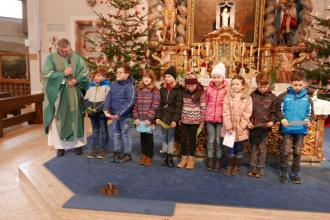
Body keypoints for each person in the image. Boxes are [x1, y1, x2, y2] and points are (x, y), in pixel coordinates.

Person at [43, 38, 89, 157]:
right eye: (62, 51)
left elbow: (85, 73)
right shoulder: (50, 59)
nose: (65, 53)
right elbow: (46, 75)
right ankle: (60, 147)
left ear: (69, 48)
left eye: (67, 51)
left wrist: (76, 80)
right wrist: (62, 75)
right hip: (59, 95)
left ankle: (78, 145)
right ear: (57, 49)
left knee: (76, 118)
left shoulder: (77, 58)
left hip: (74, 93)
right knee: (60, 119)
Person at [276, 70, 313, 184]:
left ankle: (295, 174)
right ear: (290, 83)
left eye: (300, 85)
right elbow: (278, 110)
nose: (297, 87)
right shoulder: (284, 96)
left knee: (297, 152)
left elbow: (310, 112)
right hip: (287, 129)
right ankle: (283, 173)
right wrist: (282, 119)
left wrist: (308, 119)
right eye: (295, 85)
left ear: (304, 84)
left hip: (300, 130)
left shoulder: (307, 98)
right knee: (285, 151)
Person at [103, 64, 136, 163]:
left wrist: (119, 113)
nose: (117, 74)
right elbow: (109, 97)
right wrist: (105, 108)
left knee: (126, 134)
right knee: (116, 133)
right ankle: (116, 151)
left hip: (125, 116)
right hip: (114, 115)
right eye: (117, 72)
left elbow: (130, 101)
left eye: (120, 72)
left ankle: (127, 153)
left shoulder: (130, 86)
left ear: (127, 74)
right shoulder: (114, 84)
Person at [247, 73, 277, 178]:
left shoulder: (273, 97)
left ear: (269, 84)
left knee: (262, 147)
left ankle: (260, 168)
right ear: (257, 84)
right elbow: (248, 110)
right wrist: (249, 121)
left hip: (265, 127)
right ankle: (251, 167)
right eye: (261, 86)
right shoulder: (252, 95)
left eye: (265, 86)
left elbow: (274, 112)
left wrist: (272, 121)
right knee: (253, 147)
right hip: (254, 126)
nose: (263, 88)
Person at [223, 75, 252, 176]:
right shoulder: (228, 96)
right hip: (229, 129)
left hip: (241, 130)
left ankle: (237, 167)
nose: (235, 86)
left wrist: (241, 127)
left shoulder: (247, 98)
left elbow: (247, 113)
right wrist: (229, 127)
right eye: (233, 84)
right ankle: (229, 166)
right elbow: (225, 112)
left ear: (243, 86)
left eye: (237, 84)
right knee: (229, 149)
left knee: (239, 149)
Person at [155, 66, 183, 167]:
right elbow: (159, 104)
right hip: (163, 117)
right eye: (166, 76)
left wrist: (175, 120)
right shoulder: (162, 89)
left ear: (174, 78)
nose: (167, 78)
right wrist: (157, 117)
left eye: (169, 76)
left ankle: (170, 156)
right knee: (163, 137)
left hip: (171, 118)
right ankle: (165, 156)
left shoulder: (178, 90)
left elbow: (178, 106)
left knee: (170, 138)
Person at [177, 75, 206, 170]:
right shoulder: (184, 92)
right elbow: (182, 106)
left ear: (196, 84)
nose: (190, 88)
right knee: (183, 140)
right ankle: (184, 158)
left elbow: (203, 108)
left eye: (192, 85)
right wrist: (180, 118)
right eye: (188, 86)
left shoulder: (201, 93)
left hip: (195, 121)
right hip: (184, 120)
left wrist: (201, 123)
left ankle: (191, 159)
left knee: (192, 140)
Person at [133, 70, 160, 166]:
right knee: (142, 136)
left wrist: (149, 118)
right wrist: (135, 117)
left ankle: (149, 156)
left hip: (149, 119)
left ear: (152, 79)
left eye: (148, 77)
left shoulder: (155, 90)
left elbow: (155, 105)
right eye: (145, 77)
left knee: (148, 137)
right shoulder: (138, 89)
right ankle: (143, 154)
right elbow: (135, 104)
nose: (146, 79)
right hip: (140, 118)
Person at [204, 63, 227, 172]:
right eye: (214, 77)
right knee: (210, 139)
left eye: (218, 77)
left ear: (223, 77)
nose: (216, 79)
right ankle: (210, 159)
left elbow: (227, 103)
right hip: (209, 118)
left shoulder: (227, 89)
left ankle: (218, 160)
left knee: (218, 140)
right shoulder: (209, 88)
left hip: (221, 119)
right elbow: (206, 100)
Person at [84, 72, 111, 159]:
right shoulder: (90, 87)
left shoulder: (106, 87)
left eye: (99, 76)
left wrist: (100, 109)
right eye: (96, 76)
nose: (97, 77)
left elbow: (108, 99)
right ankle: (94, 149)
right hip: (92, 113)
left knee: (103, 131)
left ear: (104, 77)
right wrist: (89, 108)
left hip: (102, 113)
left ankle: (103, 149)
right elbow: (86, 99)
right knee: (95, 131)